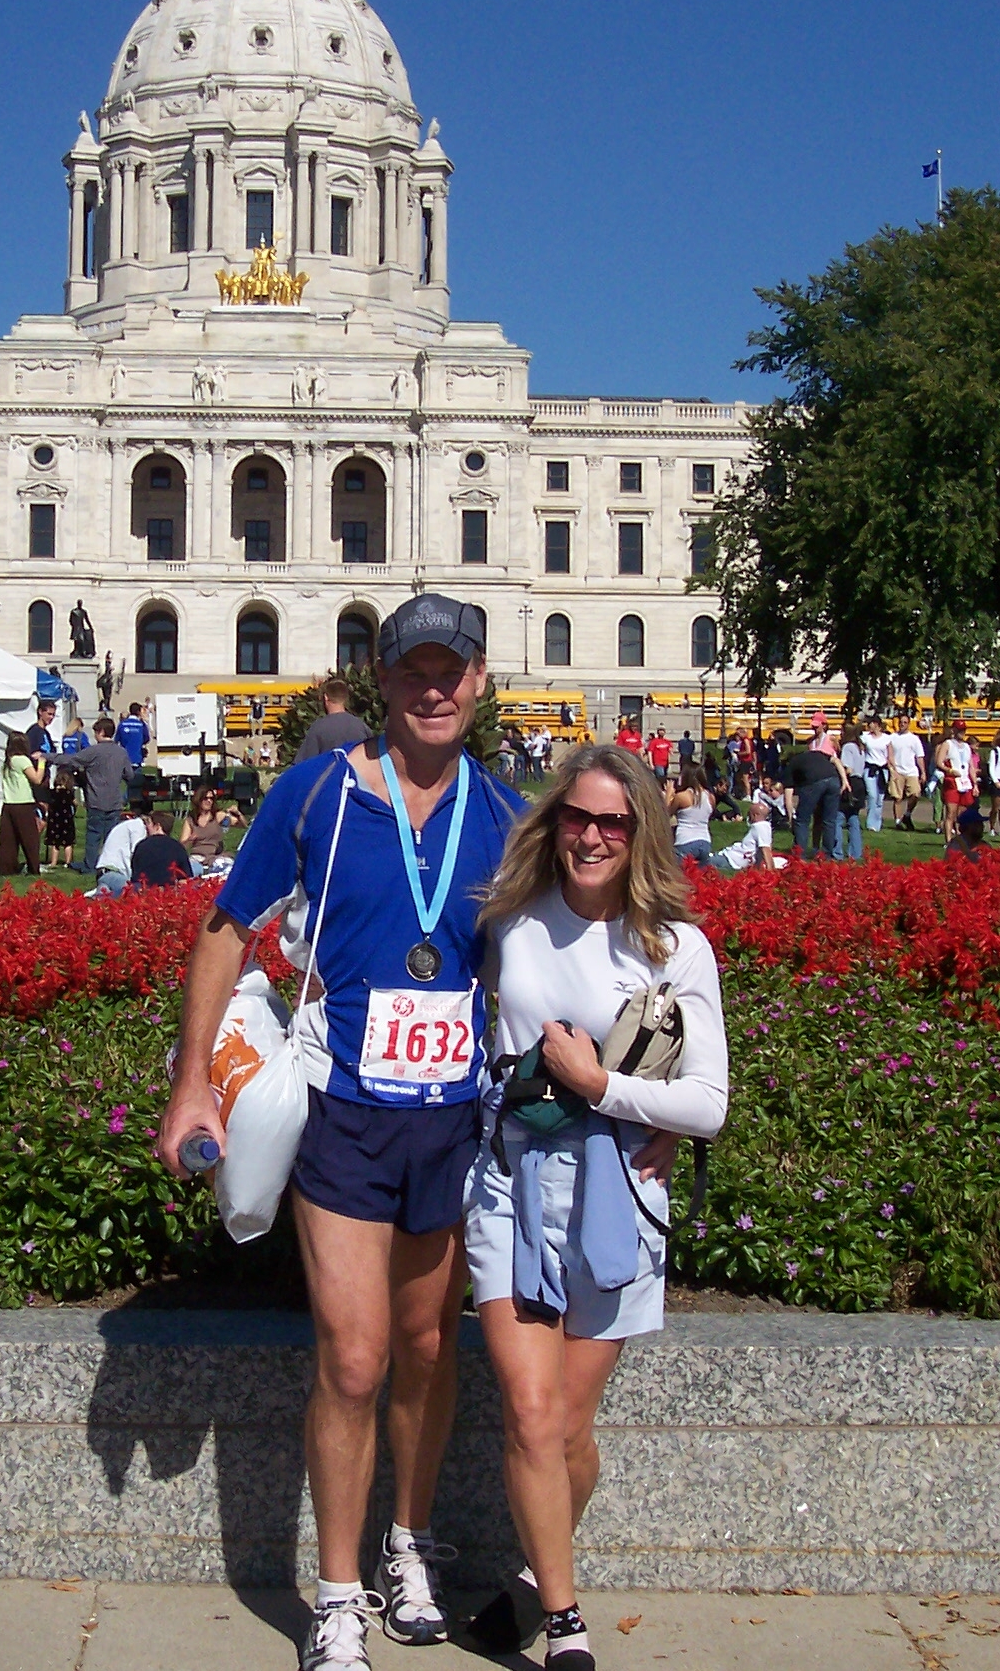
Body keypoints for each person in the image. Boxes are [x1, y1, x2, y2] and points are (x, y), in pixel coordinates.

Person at [159, 593, 524, 1671]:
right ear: (382, 681)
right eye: (414, 671)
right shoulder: (315, 792)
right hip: (345, 1114)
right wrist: (191, 1085)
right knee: (355, 1360)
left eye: (451, 671)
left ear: (479, 680)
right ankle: (334, 1594)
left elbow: (557, 952)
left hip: (449, 1122)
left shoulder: (506, 815)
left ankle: (409, 1545)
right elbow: (226, 930)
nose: (433, 690)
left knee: (427, 1347)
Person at [462, 745, 727, 1666]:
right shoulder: (508, 920)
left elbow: (707, 1103)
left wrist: (604, 1088)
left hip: (617, 1194)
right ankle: (567, 1623)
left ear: (640, 831)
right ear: (554, 821)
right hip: (511, 1187)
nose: (592, 836)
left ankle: (532, 1582)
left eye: (613, 821)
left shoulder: (674, 948)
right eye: (577, 816)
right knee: (532, 1415)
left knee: (570, 1430)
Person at [50, 717, 133, 872]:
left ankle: (90, 866)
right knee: (111, 836)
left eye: (95, 732)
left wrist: (47, 756)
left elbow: (71, 759)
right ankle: (110, 864)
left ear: (101, 732)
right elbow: (129, 775)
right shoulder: (121, 752)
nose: (94, 736)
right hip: (115, 801)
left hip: (96, 800)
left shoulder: (93, 751)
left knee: (94, 836)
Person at [786, 739, 846, 861]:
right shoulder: (819, 754)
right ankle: (827, 855)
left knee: (802, 820)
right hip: (834, 780)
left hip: (813, 782)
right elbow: (836, 761)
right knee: (829, 820)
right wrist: (845, 780)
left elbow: (788, 793)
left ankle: (800, 855)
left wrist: (791, 816)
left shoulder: (793, 763)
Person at [0, 732, 44, 875]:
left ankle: (7, 868)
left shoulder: (7, 762)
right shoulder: (22, 760)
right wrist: (42, 763)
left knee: (8, 840)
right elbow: (36, 779)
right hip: (23, 804)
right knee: (30, 839)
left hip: (8, 804)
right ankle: (33, 868)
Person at [295, 677, 372, 762]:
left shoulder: (318, 728)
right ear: (345, 698)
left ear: (326, 697)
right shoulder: (361, 726)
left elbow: (303, 763)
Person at [713, 783, 784, 871]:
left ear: (755, 815)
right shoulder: (766, 827)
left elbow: (766, 850)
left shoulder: (760, 827)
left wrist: (770, 873)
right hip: (732, 856)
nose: (748, 817)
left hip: (730, 859)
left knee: (701, 862)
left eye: (749, 814)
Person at [179, 785, 245, 877]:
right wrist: (190, 839)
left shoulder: (218, 816)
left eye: (211, 798)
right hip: (197, 858)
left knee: (229, 869)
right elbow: (181, 847)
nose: (209, 801)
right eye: (205, 798)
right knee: (186, 871)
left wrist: (238, 813)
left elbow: (242, 825)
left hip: (216, 857)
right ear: (199, 800)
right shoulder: (191, 820)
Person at [89, 807, 150, 896]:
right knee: (137, 893)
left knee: (105, 898)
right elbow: (137, 852)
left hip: (105, 871)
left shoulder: (128, 825)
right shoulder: (139, 827)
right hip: (115, 873)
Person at [130, 809, 195, 888]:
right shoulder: (177, 847)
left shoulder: (142, 846)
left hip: (145, 889)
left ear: (157, 826)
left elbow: (135, 873)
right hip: (170, 890)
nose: (146, 827)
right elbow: (186, 878)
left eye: (149, 824)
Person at [667, 761, 716, 867]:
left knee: (678, 874)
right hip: (705, 841)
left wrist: (668, 794)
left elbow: (665, 815)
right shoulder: (710, 797)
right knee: (701, 876)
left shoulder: (682, 796)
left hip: (685, 840)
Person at [937, 719, 976, 847]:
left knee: (962, 814)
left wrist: (975, 784)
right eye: (959, 730)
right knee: (951, 812)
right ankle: (948, 841)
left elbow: (971, 766)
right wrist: (949, 770)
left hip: (965, 782)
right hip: (952, 782)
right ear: (954, 730)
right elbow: (939, 762)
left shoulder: (967, 747)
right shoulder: (947, 744)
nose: (962, 732)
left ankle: (961, 839)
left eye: (963, 730)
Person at [887, 715, 926, 831]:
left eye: (905, 722)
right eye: (901, 722)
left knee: (915, 794)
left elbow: (919, 756)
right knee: (897, 798)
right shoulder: (892, 737)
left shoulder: (914, 739)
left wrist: (923, 772)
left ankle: (907, 814)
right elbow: (888, 755)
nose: (902, 724)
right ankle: (898, 821)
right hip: (897, 770)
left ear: (908, 724)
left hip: (911, 771)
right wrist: (892, 769)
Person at [838, 723, 868, 861]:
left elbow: (848, 768)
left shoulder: (848, 747)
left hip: (850, 783)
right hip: (860, 782)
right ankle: (855, 853)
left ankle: (837, 851)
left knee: (838, 817)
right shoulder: (859, 747)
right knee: (853, 818)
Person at [860, 716, 891, 832]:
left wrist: (893, 770)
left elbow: (890, 756)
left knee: (879, 798)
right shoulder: (865, 738)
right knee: (872, 795)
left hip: (883, 770)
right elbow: (861, 752)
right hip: (870, 769)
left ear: (877, 724)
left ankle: (877, 824)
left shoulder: (887, 738)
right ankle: (870, 823)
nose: (869, 726)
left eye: (871, 723)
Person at [44, 763, 78, 869]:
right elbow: (75, 803)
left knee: (55, 843)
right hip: (67, 821)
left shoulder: (53, 793)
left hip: (54, 821)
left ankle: (53, 862)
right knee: (68, 843)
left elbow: (48, 804)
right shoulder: (69, 793)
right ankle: (68, 862)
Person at [115, 701, 150, 774]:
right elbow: (146, 738)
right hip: (137, 758)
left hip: (124, 758)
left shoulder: (122, 724)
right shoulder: (141, 725)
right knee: (137, 779)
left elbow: (116, 740)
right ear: (138, 712)